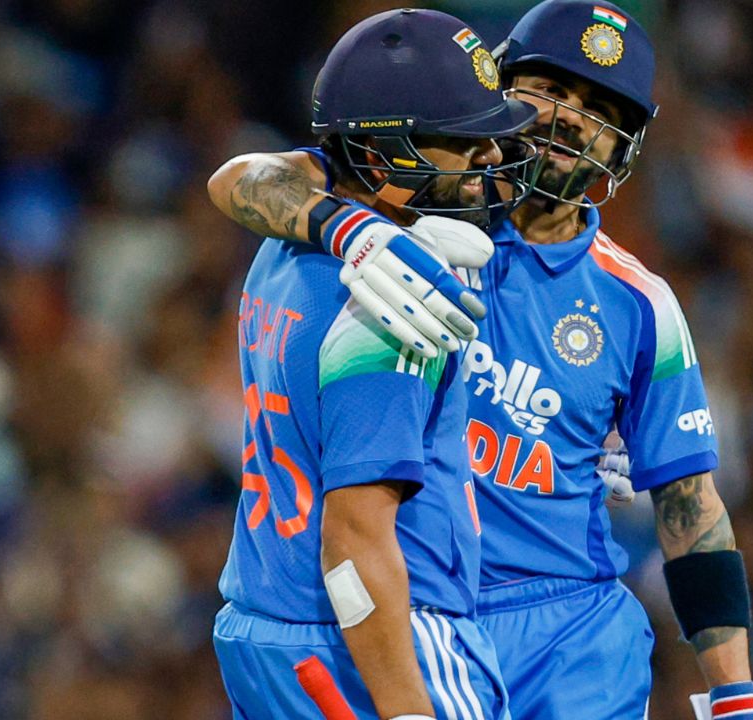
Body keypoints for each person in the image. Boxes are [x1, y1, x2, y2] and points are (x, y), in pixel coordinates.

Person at [210, 3, 753, 719]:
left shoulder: (640, 304)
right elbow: (244, 178)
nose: (568, 118)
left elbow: (692, 507)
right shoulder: (405, 211)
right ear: (491, 86)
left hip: (566, 629)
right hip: (409, 604)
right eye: (550, 88)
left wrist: (734, 693)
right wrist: (348, 230)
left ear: (626, 147)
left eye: (598, 108)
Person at [208, 9, 537, 720]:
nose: (490, 159)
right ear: (389, 155)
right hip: (380, 639)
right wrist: (409, 709)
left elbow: (250, 177)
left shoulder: (293, 235)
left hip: (265, 628)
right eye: (465, 141)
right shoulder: (397, 296)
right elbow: (356, 534)